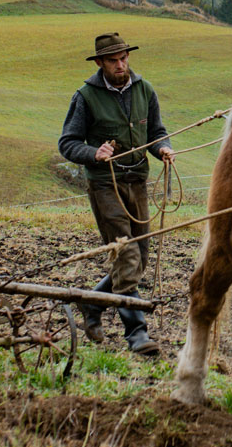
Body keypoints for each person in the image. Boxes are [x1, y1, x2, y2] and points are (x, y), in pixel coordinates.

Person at [57, 31, 174, 356]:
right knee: (127, 255)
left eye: (124, 58)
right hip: (105, 185)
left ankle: (92, 306)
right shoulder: (85, 96)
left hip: (137, 182)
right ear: (100, 63)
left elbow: (157, 132)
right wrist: (93, 152)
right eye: (113, 60)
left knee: (138, 261)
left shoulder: (144, 90)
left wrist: (163, 148)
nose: (121, 64)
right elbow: (67, 143)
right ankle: (136, 334)